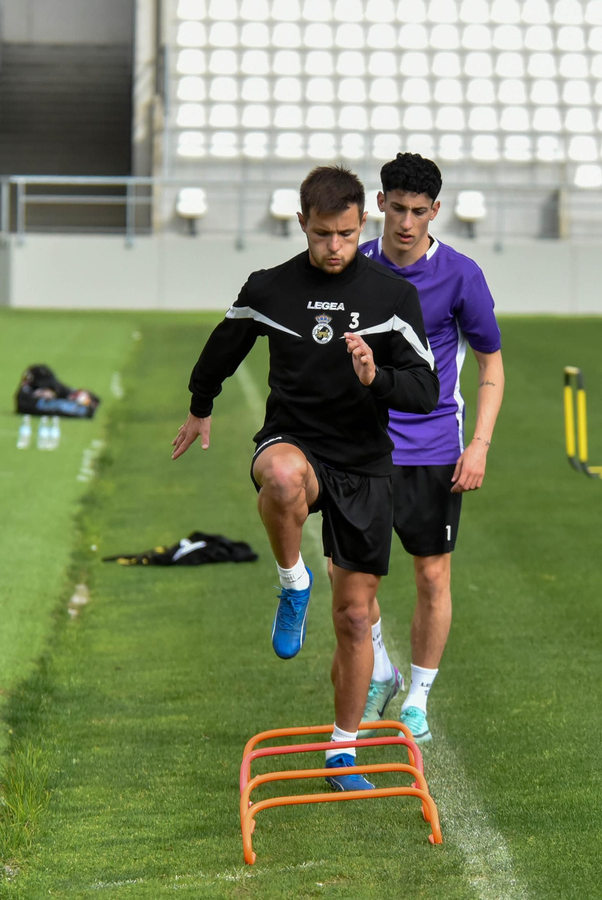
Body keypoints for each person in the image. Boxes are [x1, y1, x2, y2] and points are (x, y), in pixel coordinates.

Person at [171, 166, 439, 791]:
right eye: (322, 234)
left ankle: (342, 752)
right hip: (294, 442)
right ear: (302, 224)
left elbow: (426, 389)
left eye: (346, 234)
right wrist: (200, 403)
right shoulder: (270, 287)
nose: (335, 246)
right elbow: (223, 346)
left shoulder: (392, 296)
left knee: (353, 617)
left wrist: (378, 377)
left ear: (361, 224)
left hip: (364, 463)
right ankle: (293, 581)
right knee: (283, 480)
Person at [353, 153, 506, 744]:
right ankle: (381, 668)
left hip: (436, 444)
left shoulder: (461, 276)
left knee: (431, 577)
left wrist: (480, 445)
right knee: (353, 579)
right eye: (397, 208)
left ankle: (416, 694)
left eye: (419, 212)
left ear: (435, 211)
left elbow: (492, 364)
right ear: (381, 206)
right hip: (362, 447)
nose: (407, 222)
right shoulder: (355, 266)